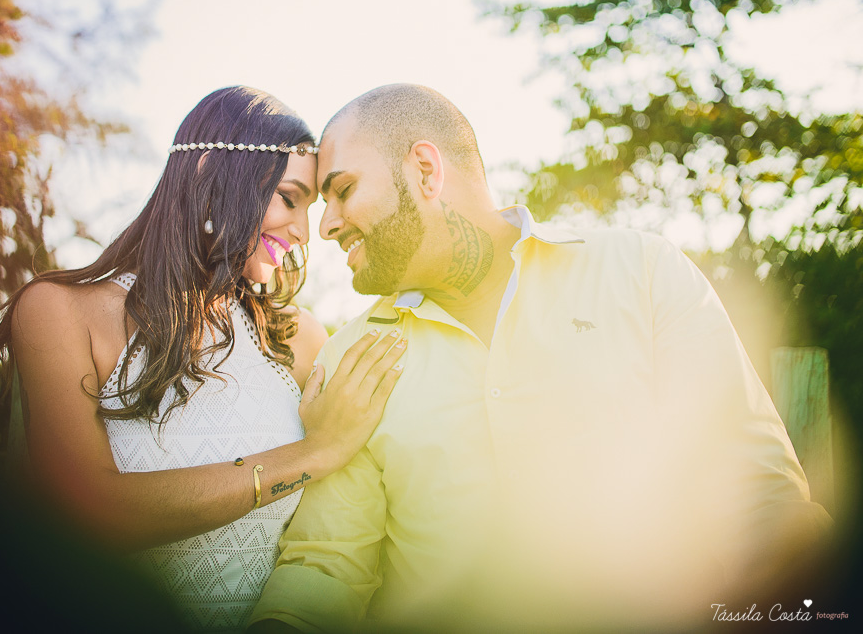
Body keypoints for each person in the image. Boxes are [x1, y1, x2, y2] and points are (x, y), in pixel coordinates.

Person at [248, 84, 833, 632]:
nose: (324, 227)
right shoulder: (352, 354)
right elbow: (327, 566)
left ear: (425, 171)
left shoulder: (644, 272)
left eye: (344, 191)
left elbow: (757, 497)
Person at [0, 86, 406, 633]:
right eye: (289, 199)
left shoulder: (299, 341)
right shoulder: (61, 312)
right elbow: (86, 510)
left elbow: (332, 534)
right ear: (207, 173)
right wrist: (311, 453)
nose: (302, 233)